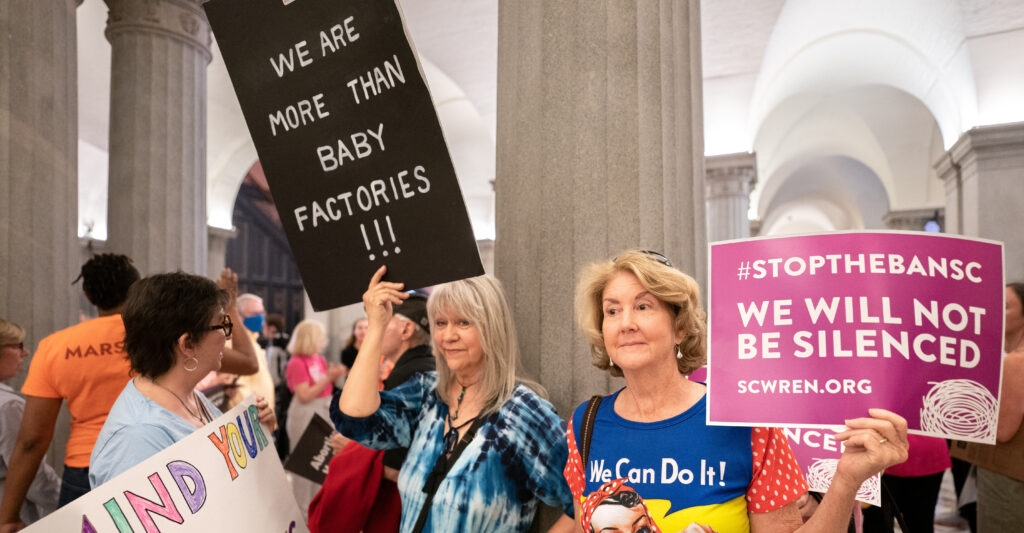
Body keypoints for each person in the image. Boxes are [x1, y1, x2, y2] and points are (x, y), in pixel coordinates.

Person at [566, 250, 909, 533]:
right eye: (612, 310)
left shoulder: (742, 419)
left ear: (680, 328)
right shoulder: (586, 422)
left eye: (643, 306)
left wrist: (846, 482)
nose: (626, 322)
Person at [334, 267, 576, 532]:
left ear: (492, 328)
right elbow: (355, 417)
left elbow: (585, 498)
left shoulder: (522, 413)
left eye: (464, 322)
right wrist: (376, 326)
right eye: (440, 323)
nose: (448, 336)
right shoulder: (427, 394)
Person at [88, 272, 274, 487]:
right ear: (187, 344)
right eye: (222, 325)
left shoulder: (189, 397)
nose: (228, 335)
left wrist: (256, 438)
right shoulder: (137, 438)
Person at [0, 253, 140, 533]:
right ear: (135, 291)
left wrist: (8, 516)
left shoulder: (55, 346)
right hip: (151, 456)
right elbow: (244, 363)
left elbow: (32, 440)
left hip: (85, 466)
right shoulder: (154, 337)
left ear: (87, 295)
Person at [975, 282, 1024, 531]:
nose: (995, 310)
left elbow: (1003, 431)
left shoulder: (1016, 362)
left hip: (1005, 478)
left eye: (1005, 306)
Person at [0, 319, 59, 525]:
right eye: (18, 346)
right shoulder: (7, 407)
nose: (25, 353)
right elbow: (31, 475)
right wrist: (68, 499)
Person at [285, 319, 345, 512]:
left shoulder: (318, 359)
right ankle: (302, 511)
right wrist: (328, 377)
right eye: (320, 337)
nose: (324, 341)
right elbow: (303, 396)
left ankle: (317, 507)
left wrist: (332, 377)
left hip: (322, 408)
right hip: (305, 412)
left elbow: (323, 388)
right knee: (305, 463)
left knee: (322, 460)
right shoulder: (296, 362)